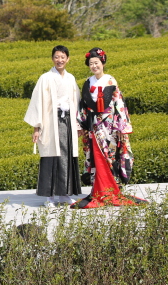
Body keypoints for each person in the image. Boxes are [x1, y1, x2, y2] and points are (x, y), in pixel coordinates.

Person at [71, 47, 146, 209]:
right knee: (96, 157)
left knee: (110, 157)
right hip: (93, 126)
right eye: (91, 63)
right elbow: (82, 106)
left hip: (110, 125)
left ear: (102, 62)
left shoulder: (110, 80)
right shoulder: (87, 82)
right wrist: (81, 124)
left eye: (96, 63)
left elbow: (119, 103)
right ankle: (99, 190)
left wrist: (122, 127)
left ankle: (110, 190)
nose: (94, 66)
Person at [24, 45, 82, 206]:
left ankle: (64, 193)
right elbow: (37, 103)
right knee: (51, 157)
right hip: (51, 122)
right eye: (57, 57)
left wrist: (78, 125)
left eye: (63, 57)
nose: (60, 60)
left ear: (68, 59)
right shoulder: (45, 78)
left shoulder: (70, 78)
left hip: (68, 122)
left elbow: (76, 101)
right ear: (52, 59)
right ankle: (49, 197)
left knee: (67, 156)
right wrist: (36, 128)